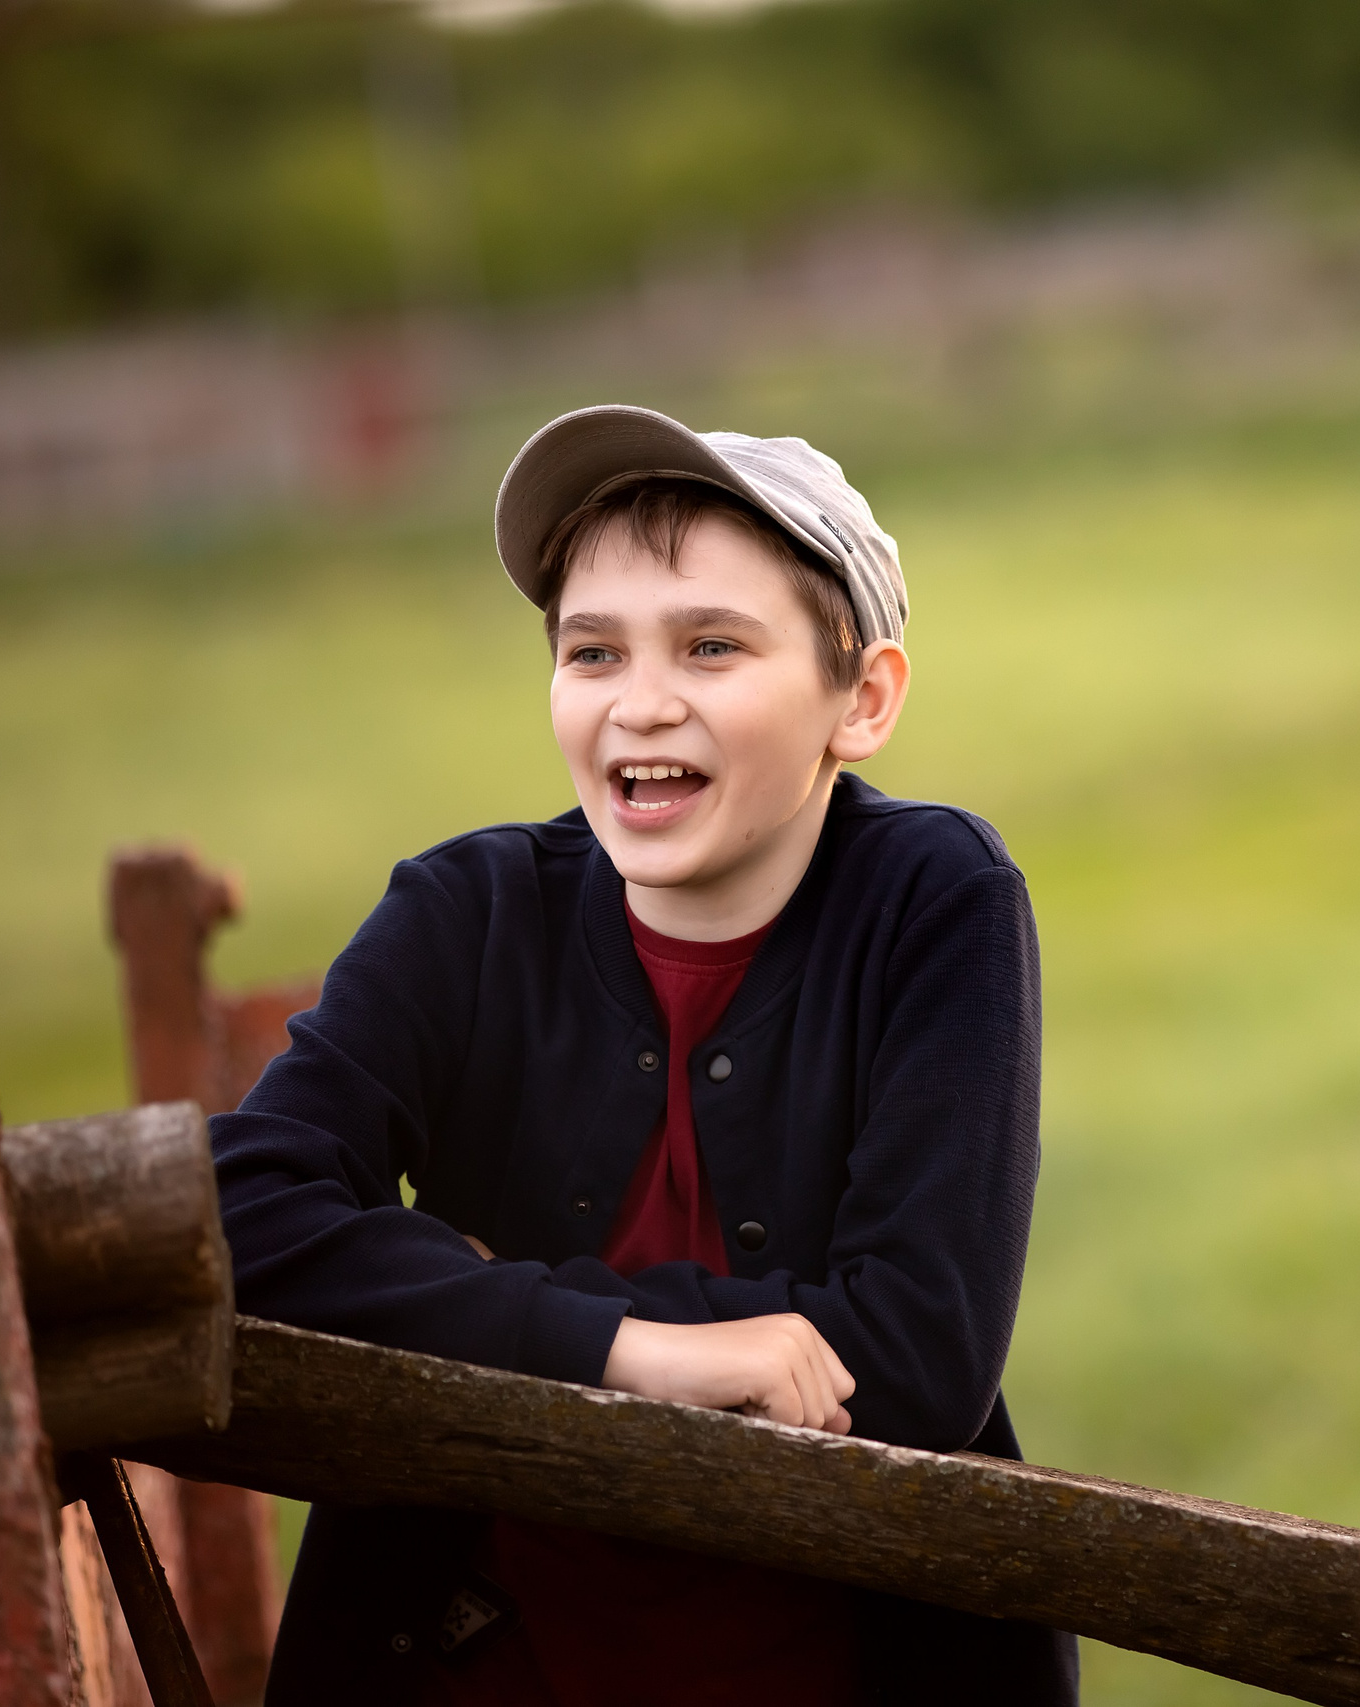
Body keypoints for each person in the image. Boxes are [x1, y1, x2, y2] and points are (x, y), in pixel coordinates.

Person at [209, 405, 1077, 1705]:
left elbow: (916, 1352)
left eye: (713, 646)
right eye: (592, 652)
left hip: (841, 1668)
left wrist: (463, 1292)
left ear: (865, 699)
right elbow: (236, 1218)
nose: (643, 704)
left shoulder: (934, 901)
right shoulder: (464, 913)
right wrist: (625, 1351)